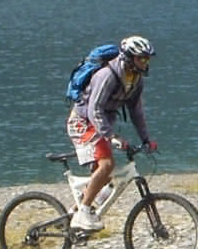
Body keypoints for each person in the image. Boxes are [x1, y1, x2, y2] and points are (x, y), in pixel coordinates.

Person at [65, 35, 159, 230]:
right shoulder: (107, 75)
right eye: (141, 58)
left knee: (104, 179)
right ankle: (82, 213)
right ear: (129, 58)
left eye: (147, 58)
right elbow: (94, 110)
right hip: (82, 122)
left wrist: (146, 139)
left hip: (100, 125)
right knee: (107, 165)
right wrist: (111, 136)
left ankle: (72, 216)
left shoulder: (135, 79)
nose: (145, 62)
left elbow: (136, 112)